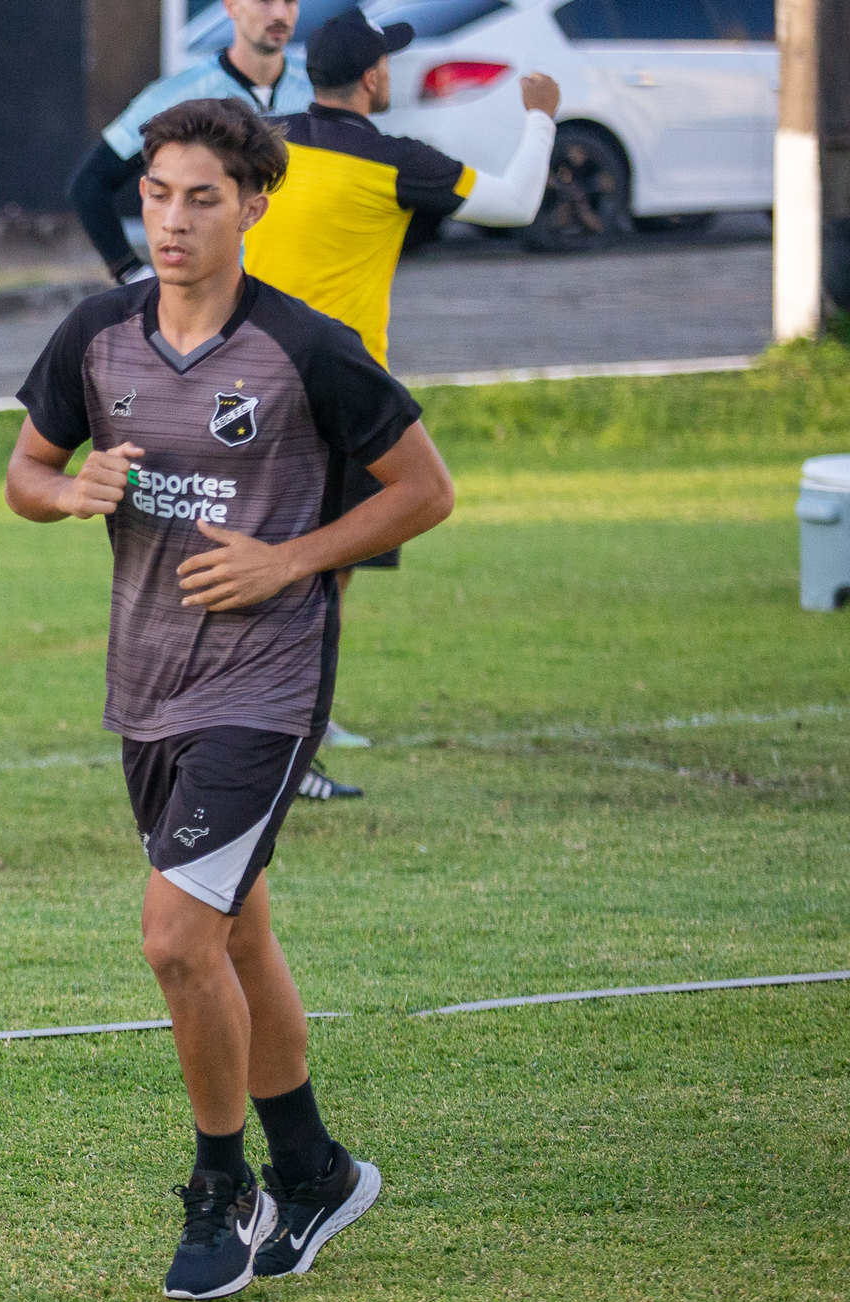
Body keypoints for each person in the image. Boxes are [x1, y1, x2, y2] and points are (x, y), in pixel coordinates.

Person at [6, 98, 454, 1300]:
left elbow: (423, 489)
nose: (171, 219)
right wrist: (69, 490)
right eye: (156, 194)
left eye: (201, 197)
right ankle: (313, 1166)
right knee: (234, 927)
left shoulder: (304, 347)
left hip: (264, 684)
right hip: (146, 681)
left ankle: (224, 1187)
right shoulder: (96, 335)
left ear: (255, 205)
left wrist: (288, 559)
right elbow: (23, 472)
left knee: (174, 935)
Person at [244, 5, 559, 790]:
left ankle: (289, 724)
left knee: (277, 565)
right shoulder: (393, 160)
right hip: (340, 395)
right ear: (374, 77)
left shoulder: (264, 142)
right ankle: (287, 744)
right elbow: (517, 204)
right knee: (322, 573)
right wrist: (540, 119)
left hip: (242, 381)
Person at [69, 0, 313, 286]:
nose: (280, 14)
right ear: (231, 6)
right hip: (214, 301)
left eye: (290, 1)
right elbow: (89, 185)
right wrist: (133, 273)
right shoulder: (180, 92)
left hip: (302, 298)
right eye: (265, 1)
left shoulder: (320, 88)